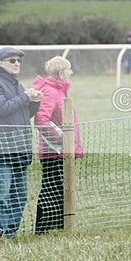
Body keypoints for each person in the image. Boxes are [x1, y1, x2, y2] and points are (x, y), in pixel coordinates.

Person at [0, 47, 42, 239]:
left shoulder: (17, 83)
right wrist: (25, 97)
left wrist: (34, 102)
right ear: (1, 63)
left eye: (19, 61)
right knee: (2, 195)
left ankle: (10, 232)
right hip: (2, 149)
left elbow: (23, 114)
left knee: (19, 195)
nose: (17, 64)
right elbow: (1, 109)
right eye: (12, 60)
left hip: (21, 148)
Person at [32, 56, 84, 234]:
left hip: (63, 151)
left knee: (60, 189)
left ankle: (58, 226)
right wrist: (60, 139)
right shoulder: (50, 92)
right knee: (51, 189)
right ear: (61, 74)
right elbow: (41, 120)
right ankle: (43, 228)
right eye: (69, 69)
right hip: (53, 152)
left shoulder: (60, 91)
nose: (71, 72)